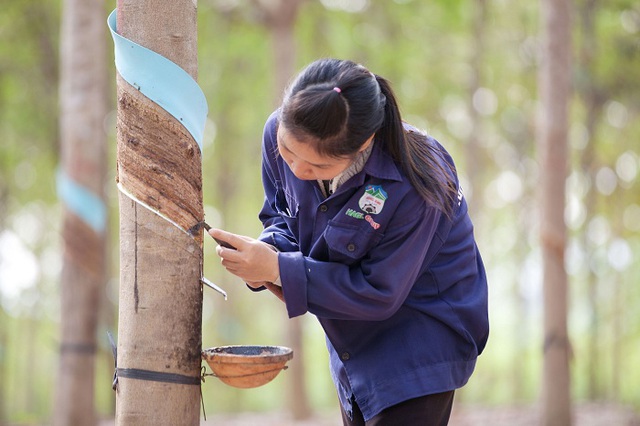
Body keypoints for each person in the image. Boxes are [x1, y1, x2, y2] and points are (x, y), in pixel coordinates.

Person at [208, 58, 489, 426]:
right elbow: (281, 214)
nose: (297, 170)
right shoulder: (277, 130)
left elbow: (379, 291)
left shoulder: (419, 180)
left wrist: (278, 269)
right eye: (289, 152)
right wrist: (268, 254)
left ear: (364, 143)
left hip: (421, 338)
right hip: (350, 338)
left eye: (318, 167)